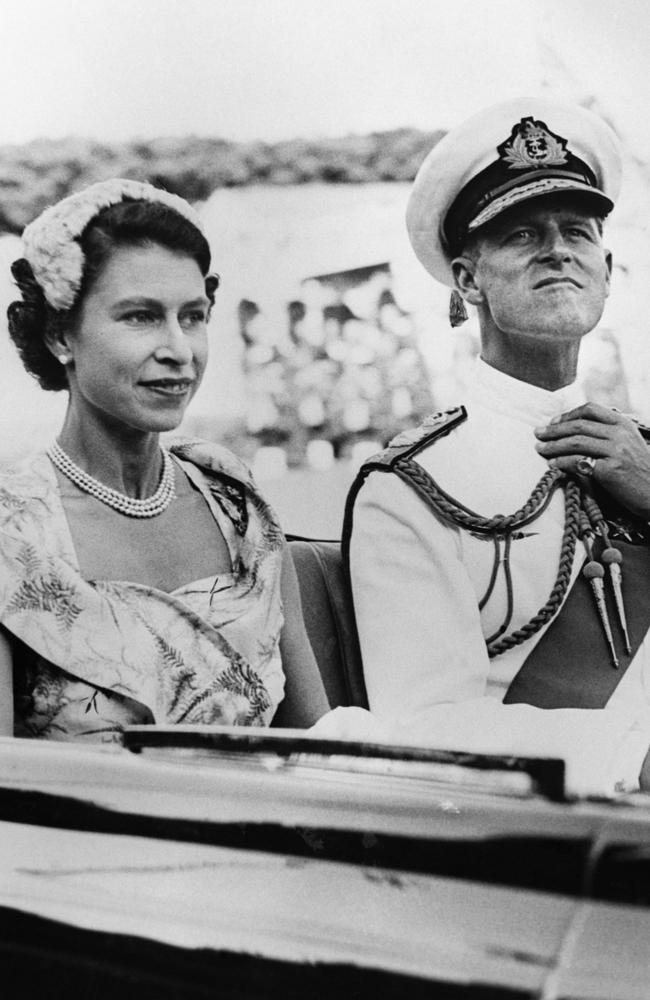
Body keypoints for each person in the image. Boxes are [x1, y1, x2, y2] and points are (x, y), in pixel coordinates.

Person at [343, 98, 650, 797]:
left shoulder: (645, 456)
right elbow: (427, 725)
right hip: (557, 848)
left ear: (606, 265)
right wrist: (630, 758)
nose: (557, 249)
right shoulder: (412, 484)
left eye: (577, 229)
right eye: (521, 234)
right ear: (467, 280)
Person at [0, 178, 338, 740]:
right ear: (61, 335)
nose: (179, 351)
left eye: (193, 316)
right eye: (140, 316)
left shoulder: (236, 502)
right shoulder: (13, 537)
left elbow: (318, 739)